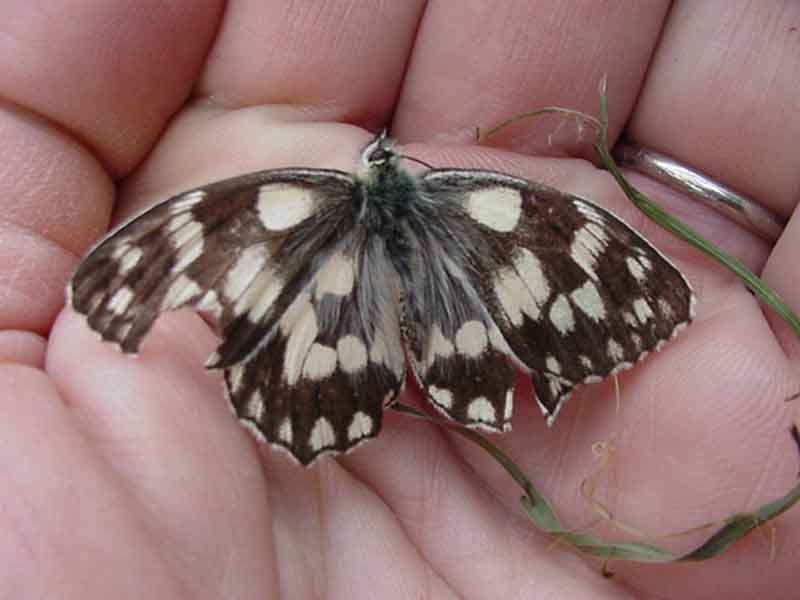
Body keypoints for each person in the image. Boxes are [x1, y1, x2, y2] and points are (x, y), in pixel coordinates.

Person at [1, 2, 797, 597]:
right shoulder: (486, 204)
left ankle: (414, 377)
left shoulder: (297, 202)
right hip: (430, 304)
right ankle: (432, 376)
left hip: (384, 313)